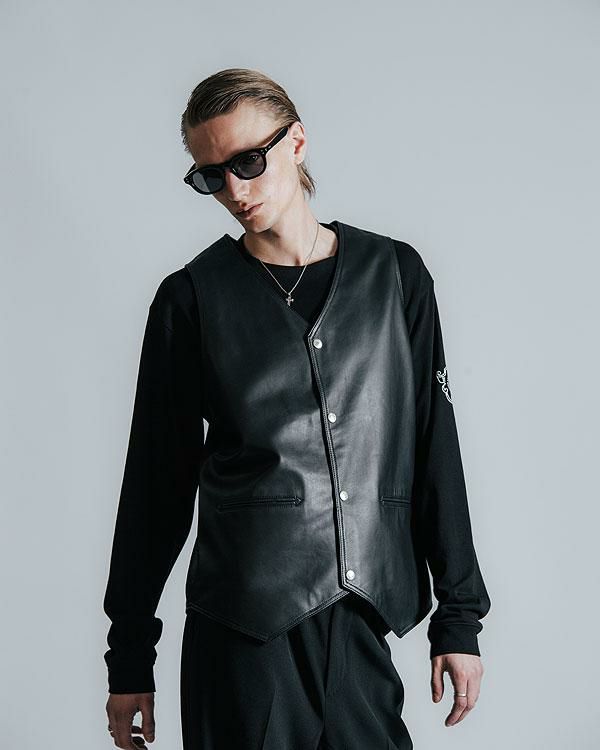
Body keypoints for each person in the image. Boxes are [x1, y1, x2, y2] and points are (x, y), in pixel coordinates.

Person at [103, 68, 491, 750]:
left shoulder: (397, 276)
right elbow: (155, 487)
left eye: (248, 162)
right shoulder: (191, 300)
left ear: (298, 142)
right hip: (242, 636)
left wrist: (458, 616)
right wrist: (129, 653)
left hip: (364, 620)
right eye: (211, 175)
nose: (235, 190)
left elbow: (434, 444)